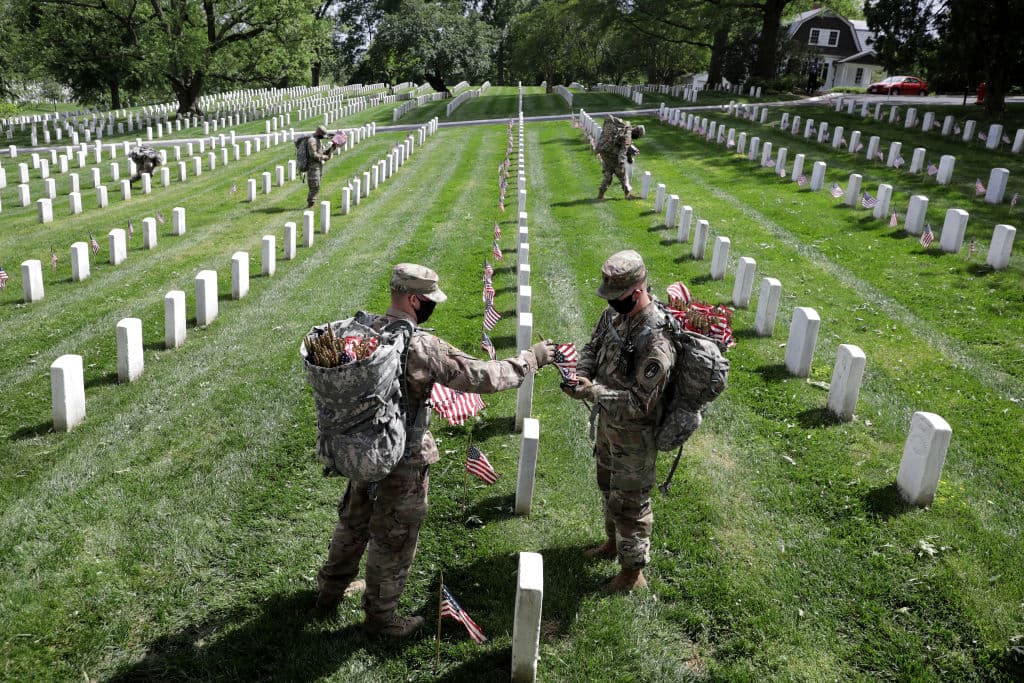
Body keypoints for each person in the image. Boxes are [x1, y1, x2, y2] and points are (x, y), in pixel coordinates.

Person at [315, 263, 556, 637]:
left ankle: (330, 590)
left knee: (354, 519)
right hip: (403, 457)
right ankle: (382, 618)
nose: (432, 306)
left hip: (364, 449)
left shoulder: (364, 332)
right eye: (429, 300)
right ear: (414, 299)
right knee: (393, 538)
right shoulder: (421, 345)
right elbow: (483, 377)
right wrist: (531, 359)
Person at [560, 250, 675, 593]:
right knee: (607, 486)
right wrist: (580, 373)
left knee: (630, 502)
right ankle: (613, 544)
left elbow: (641, 402)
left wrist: (593, 393)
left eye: (619, 298)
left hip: (636, 436)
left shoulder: (657, 340)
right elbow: (593, 346)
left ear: (638, 292)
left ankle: (632, 574)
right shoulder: (614, 316)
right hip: (610, 426)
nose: (612, 304)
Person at [597, 117, 644, 200]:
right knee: (623, 176)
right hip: (611, 154)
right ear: (636, 134)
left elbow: (610, 118)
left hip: (603, 150)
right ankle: (628, 195)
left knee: (608, 173)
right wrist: (621, 163)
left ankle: (600, 195)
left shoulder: (625, 126)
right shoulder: (628, 137)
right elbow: (623, 151)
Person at [306, 125, 332, 208]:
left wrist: (330, 149)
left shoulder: (317, 140)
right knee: (314, 185)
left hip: (318, 165)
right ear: (318, 133)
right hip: (313, 167)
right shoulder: (312, 141)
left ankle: (312, 203)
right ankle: (311, 205)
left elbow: (320, 151)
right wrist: (325, 157)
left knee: (317, 184)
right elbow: (313, 154)